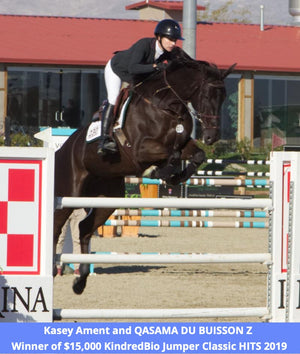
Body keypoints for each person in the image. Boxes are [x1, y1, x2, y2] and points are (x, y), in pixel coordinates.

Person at [97, 19, 184, 155]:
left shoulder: (170, 52)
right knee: (113, 99)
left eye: (175, 40)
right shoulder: (143, 44)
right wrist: (155, 66)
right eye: (170, 39)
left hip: (136, 75)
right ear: (159, 37)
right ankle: (104, 140)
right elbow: (133, 68)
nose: (173, 44)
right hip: (117, 69)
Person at [56, 208, 87, 276]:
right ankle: (57, 267)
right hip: (63, 208)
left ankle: (77, 268)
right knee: (59, 239)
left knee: (78, 240)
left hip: (78, 208)